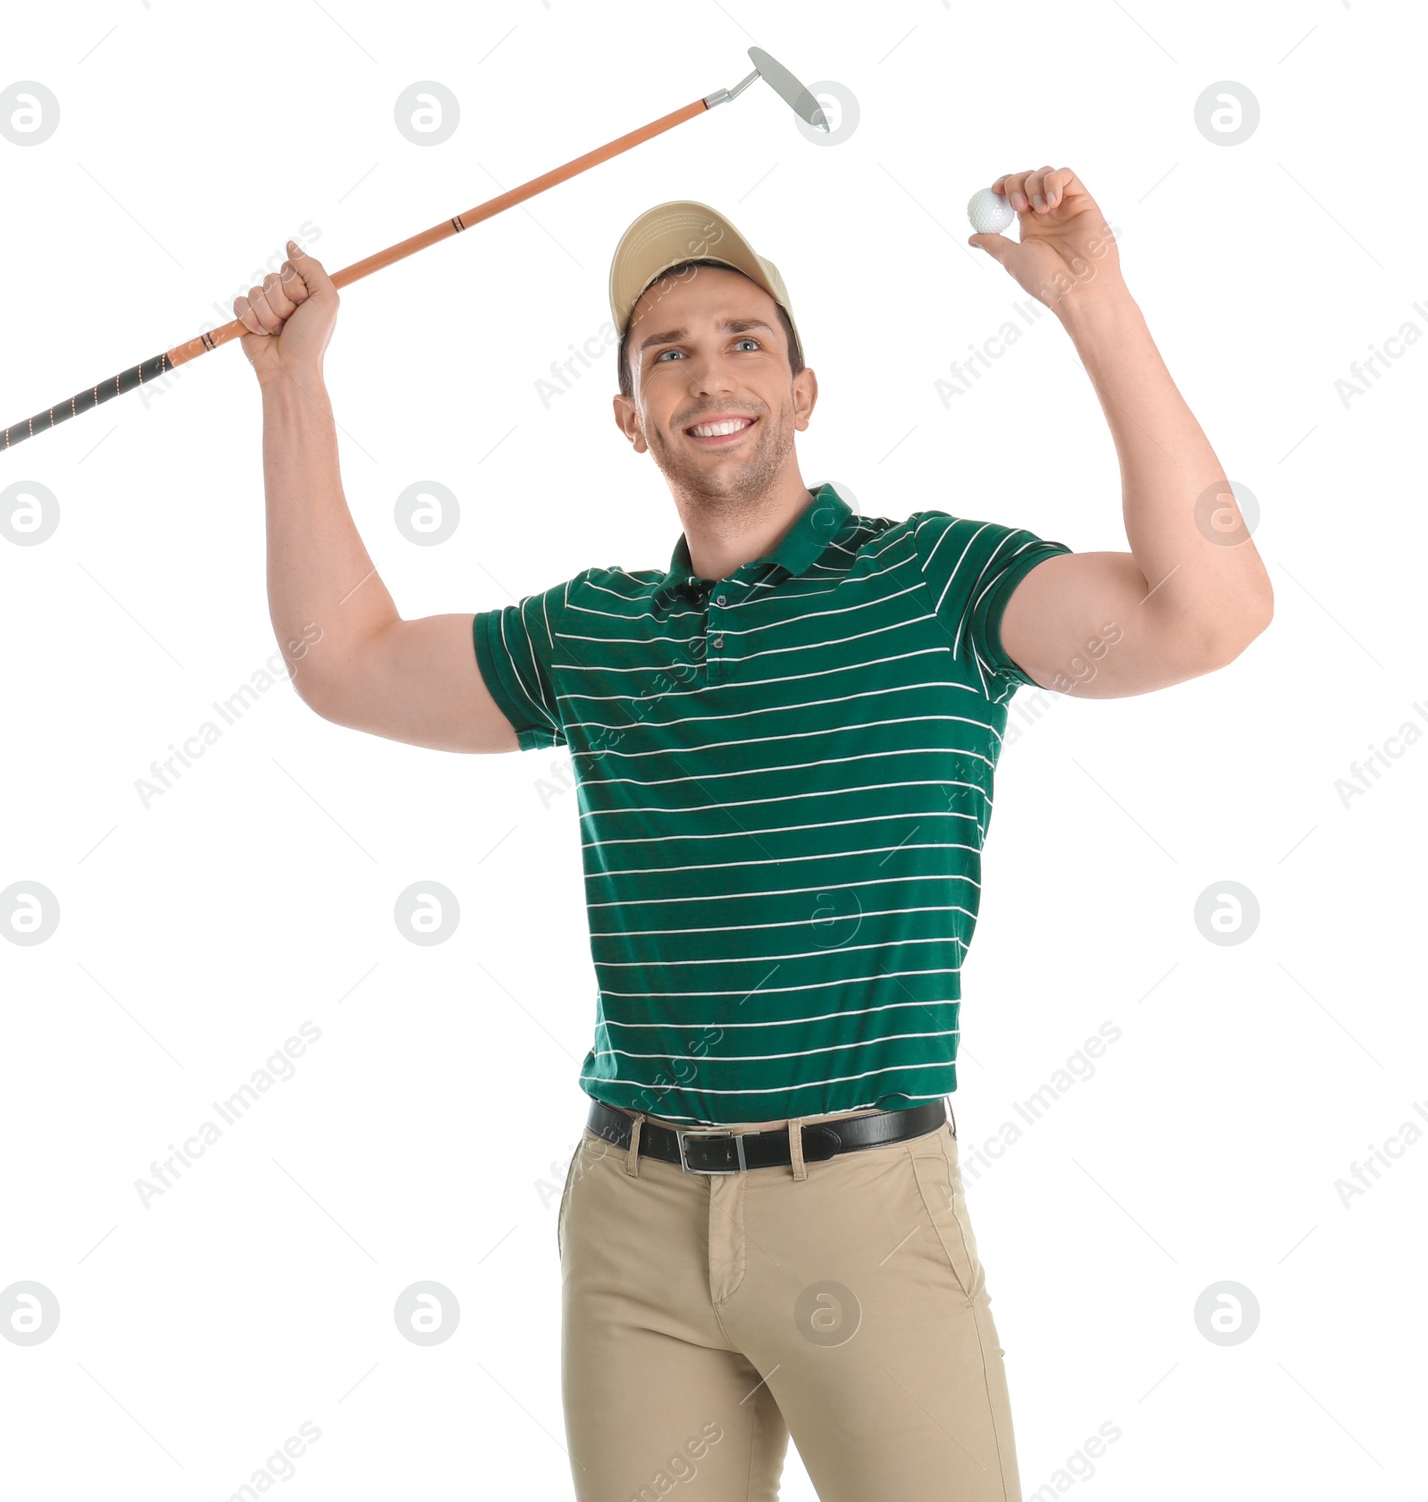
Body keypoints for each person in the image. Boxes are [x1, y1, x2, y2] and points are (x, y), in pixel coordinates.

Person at [234, 167, 1274, 1502]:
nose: (707, 374)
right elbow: (343, 662)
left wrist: (1095, 304)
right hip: (633, 1221)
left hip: (864, 1206)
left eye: (744, 343)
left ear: (801, 391)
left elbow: (1214, 615)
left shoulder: (938, 585)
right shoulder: (596, 632)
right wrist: (290, 386)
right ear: (630, 417)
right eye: (667, 355)